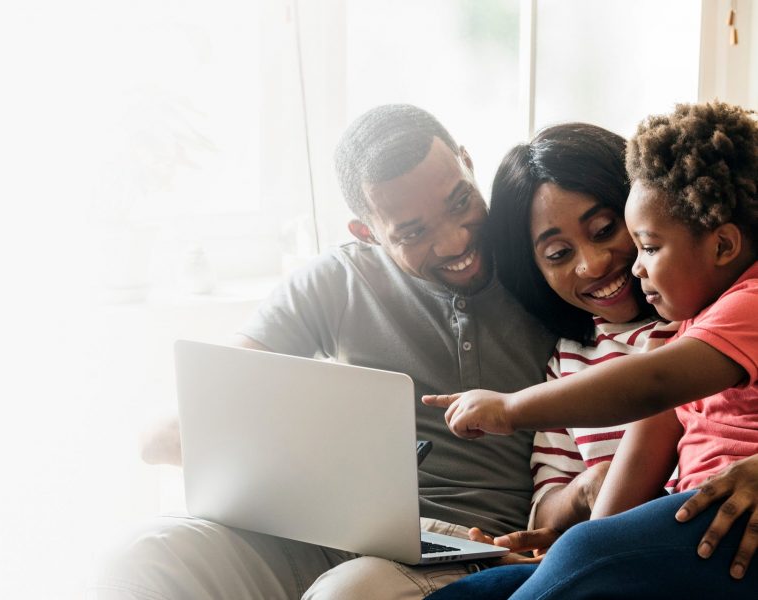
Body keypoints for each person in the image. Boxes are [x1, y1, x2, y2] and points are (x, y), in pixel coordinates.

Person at [87, 104, 557, 600]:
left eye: (460, 202)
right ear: (367, 232)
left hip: (468, 548)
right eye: (413, 232)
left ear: (466, 161)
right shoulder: (340, 279)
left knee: (347, 594)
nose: (455, 241)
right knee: (143, 555)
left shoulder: (549, 265)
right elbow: (189, 414)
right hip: (325, 532)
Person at [425, 100, 758, 598]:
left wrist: (512, 407)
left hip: (724, 534)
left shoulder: (744, 308)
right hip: (686, 525)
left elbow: (653, 384)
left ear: (722, 245)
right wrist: (579, 540)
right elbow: (656, 418)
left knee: (586, 557)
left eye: (638, 242)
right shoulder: (693, 321)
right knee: (479, 590)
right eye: (559, 254)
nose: (622, 265)